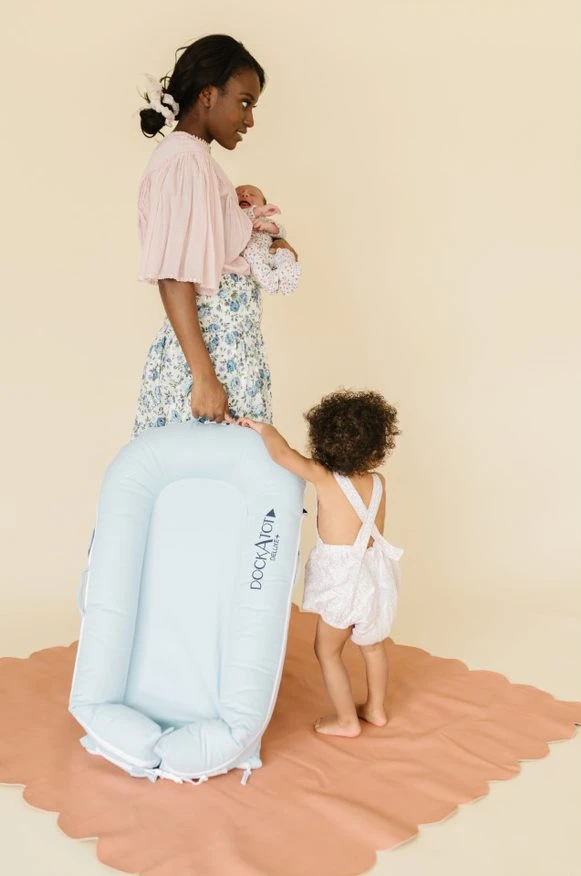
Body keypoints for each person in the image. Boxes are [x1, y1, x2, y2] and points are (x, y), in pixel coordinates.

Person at [132, 35, 297, 438]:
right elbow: (174, 274)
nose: (249, 120)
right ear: (208, 95)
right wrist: (204, 376)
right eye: (244, 102)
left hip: (226, 356)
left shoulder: (195, 161)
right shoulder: (186, 162)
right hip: (212, 361)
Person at [237, 390, 403, 738]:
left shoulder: (323, 477)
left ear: (324, 442)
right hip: (376, 576)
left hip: (343, 581)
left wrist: (264, 428)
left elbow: (282, 454)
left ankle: (346, 721)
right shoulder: (379, 482)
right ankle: (376, 709)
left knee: (327, 651)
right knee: (373, 646)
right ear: (378, 444)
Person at [236, 184, 302, 296]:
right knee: (250, 251)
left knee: (286, 254)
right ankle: (269, 281)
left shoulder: (265, 221)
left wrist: (268, 226)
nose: (245, 194)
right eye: (238, 193)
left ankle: (286, 279)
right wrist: (255, 211)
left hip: (270, 253)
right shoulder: (233, 216)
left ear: (264, 206)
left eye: (252, 194)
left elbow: (282, 232)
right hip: (254, 255)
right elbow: (240, 216)